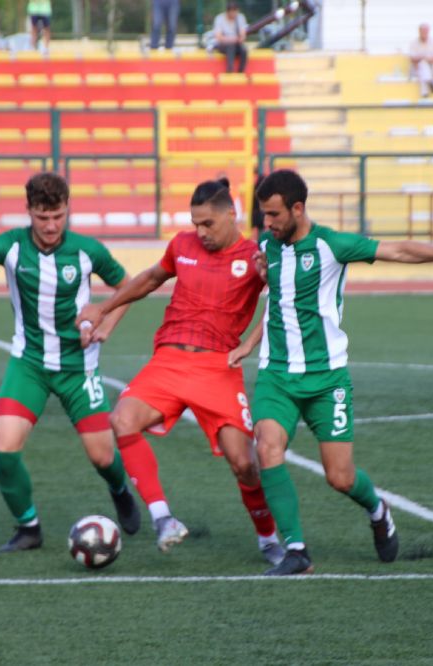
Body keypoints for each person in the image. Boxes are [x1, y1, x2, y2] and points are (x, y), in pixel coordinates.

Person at [239, 169, 433, 575]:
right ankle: (297, 550)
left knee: (339, 477)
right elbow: (279, 298)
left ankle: (377, 508)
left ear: (298, 208)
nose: (266, 223)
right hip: (277, 375)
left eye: (272, 214)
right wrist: (251, 342)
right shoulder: (267, 244)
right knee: (267, 448)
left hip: (327, 379)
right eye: (263, 215)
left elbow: (399, 251)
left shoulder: (332, 244)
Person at [75, 178, 284, 563]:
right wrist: (102, 309)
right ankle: (163, 518)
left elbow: (283, 300)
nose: (200, 232)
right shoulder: (181, 245)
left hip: (218, 367)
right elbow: (152, 279)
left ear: (230, 215)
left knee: (244, 463)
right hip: (169, 360)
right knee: (121, 420)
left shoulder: (255, 256)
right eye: (195, 223)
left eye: (208, 223)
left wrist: (252, 339)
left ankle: (269, 538)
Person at [0, 172, 140, 553]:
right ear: (28, 211)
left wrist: (107, 323)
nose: (50, 225)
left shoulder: (86, 250)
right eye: (42, 217)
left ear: (67, 211)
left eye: (58, 216)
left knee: (101, 454)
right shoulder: (10, 246)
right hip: (28, 363)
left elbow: (129, 288)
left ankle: (120, 488)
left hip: (78, 367)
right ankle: (28, 526)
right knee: (4, 446)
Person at [213, 1, 248, 74]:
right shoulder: (220, 19)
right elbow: (218, 37)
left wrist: (240, 38)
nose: (234, 14)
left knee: (244, 50)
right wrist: (232, 39)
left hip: (236, 45)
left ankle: (241, 71)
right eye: (232, 12)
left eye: (235, 11)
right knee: (230, 47)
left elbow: (243, 35)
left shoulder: (240, 18)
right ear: (227, 12)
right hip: (223, 45)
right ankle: (230, 70)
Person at [408, 23, 433, 98]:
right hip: (416, 69)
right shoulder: (413, 43)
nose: (424, 33)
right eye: (423, 31)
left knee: (424, 63)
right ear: (419, 31)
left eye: (426, 31)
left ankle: (424, 92)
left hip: (430, 69)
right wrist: (423, 57)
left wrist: (425, 58)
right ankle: (430, 82)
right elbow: (412, 59)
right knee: (422, 63)